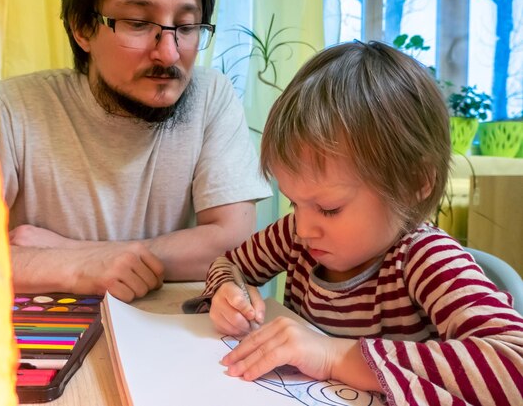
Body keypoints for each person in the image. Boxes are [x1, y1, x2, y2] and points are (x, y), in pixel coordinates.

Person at [187, 41, 523, 405]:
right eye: (293, 201)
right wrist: (227, 293)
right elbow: (229, 264)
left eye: (329, 208)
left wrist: (334, 355)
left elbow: (514, 366)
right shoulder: (295, 234)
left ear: (414, 183)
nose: (302, 228)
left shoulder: (426, 257)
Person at [0, 0, 271, 302]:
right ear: (82, 28)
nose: (169, 54)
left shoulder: (210, 97)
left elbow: (233, 244)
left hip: (163, 333)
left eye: (186, 27)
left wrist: (78, 254)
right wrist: (78, 268)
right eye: (138, 23)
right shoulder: (6, 109)